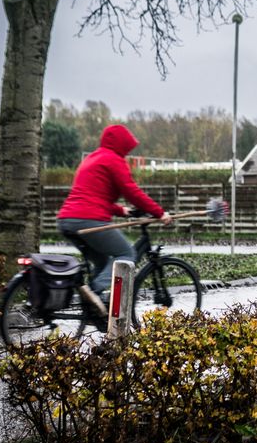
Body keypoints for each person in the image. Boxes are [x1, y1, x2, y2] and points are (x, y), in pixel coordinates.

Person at [57, 124, 172, 315]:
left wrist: (121, 210)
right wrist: (159, 213)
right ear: (122, 144)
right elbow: (132, 191)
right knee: (126, 255)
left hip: (67, 220)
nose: (127, 153)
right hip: (89, 220)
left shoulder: (92, 158)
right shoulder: (114, 160)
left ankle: (95, 308)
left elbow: (91, 196)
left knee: (103, 262)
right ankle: (93, 291)